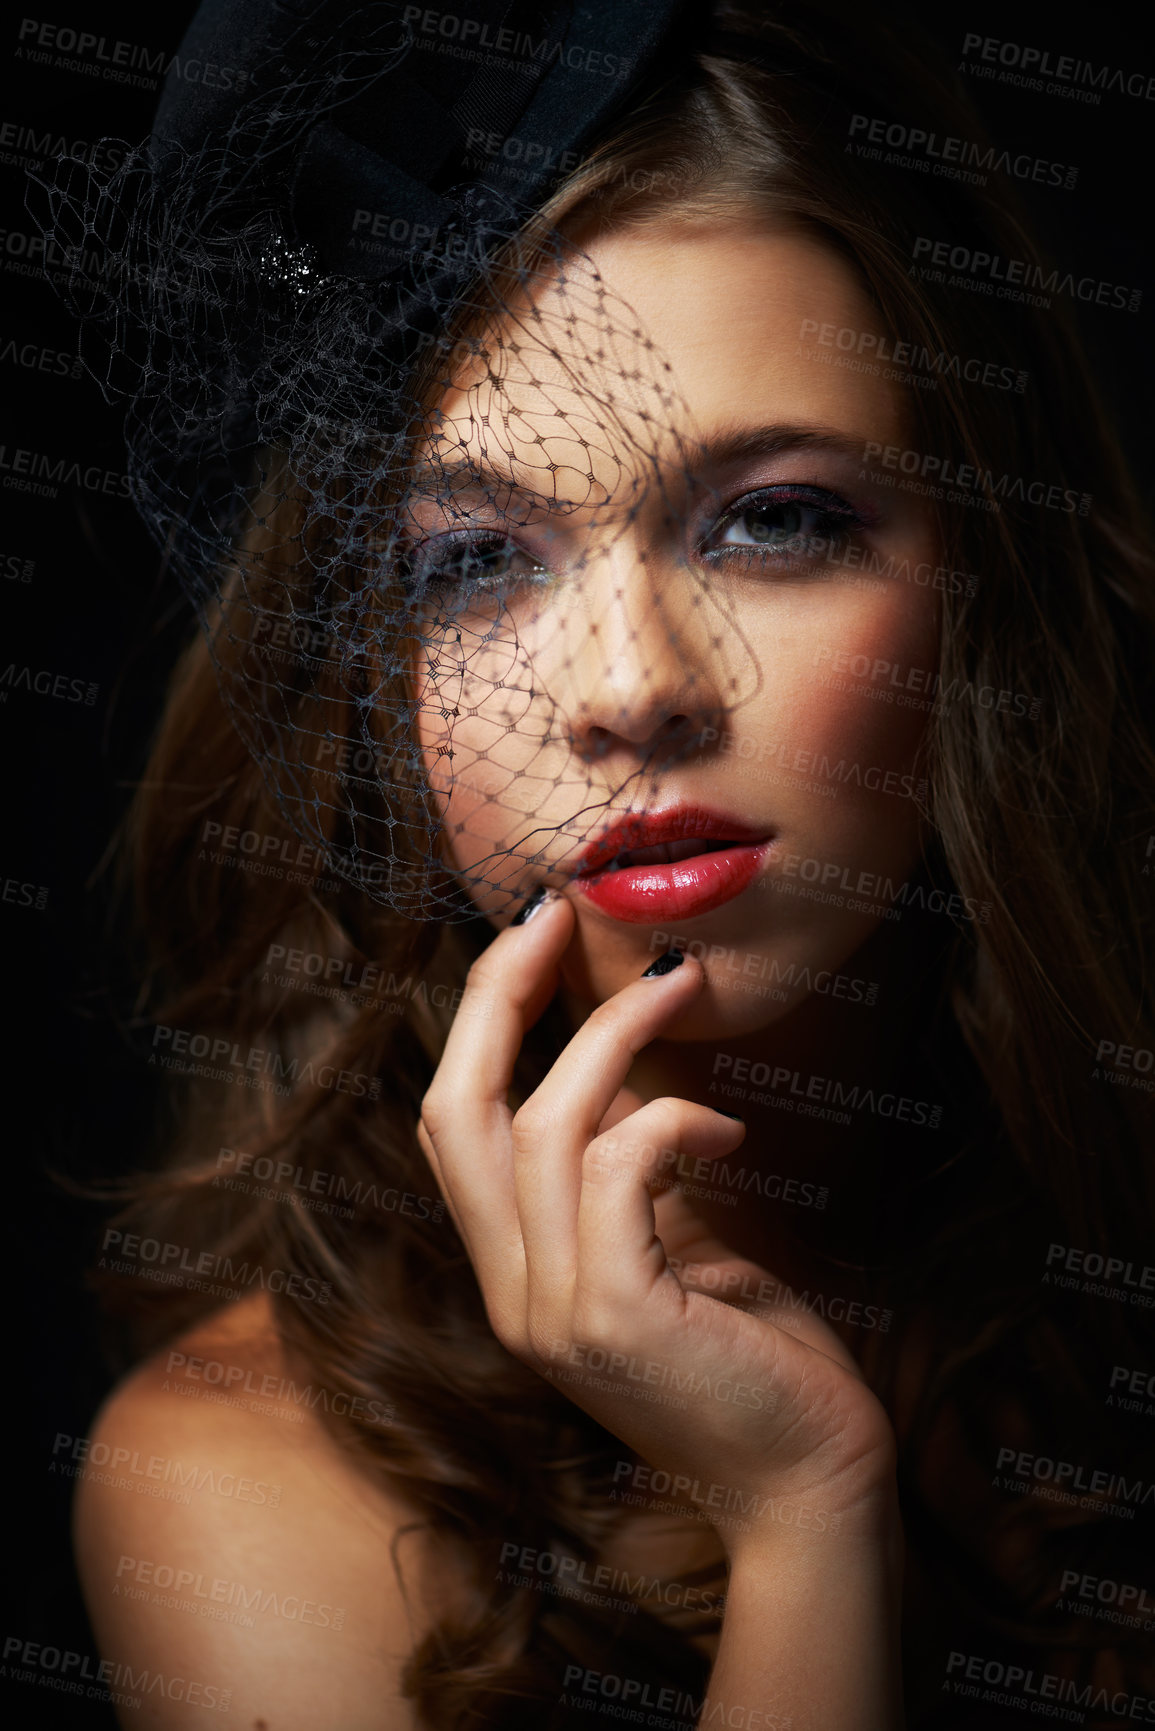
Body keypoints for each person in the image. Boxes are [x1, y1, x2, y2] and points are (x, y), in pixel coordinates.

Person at [63, 2, 1155, 1726]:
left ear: (987, 587)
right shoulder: (244, 1489)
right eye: (476, 563)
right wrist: (804, 1522)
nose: (634, 687)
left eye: (773, 521)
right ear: (372, 682)